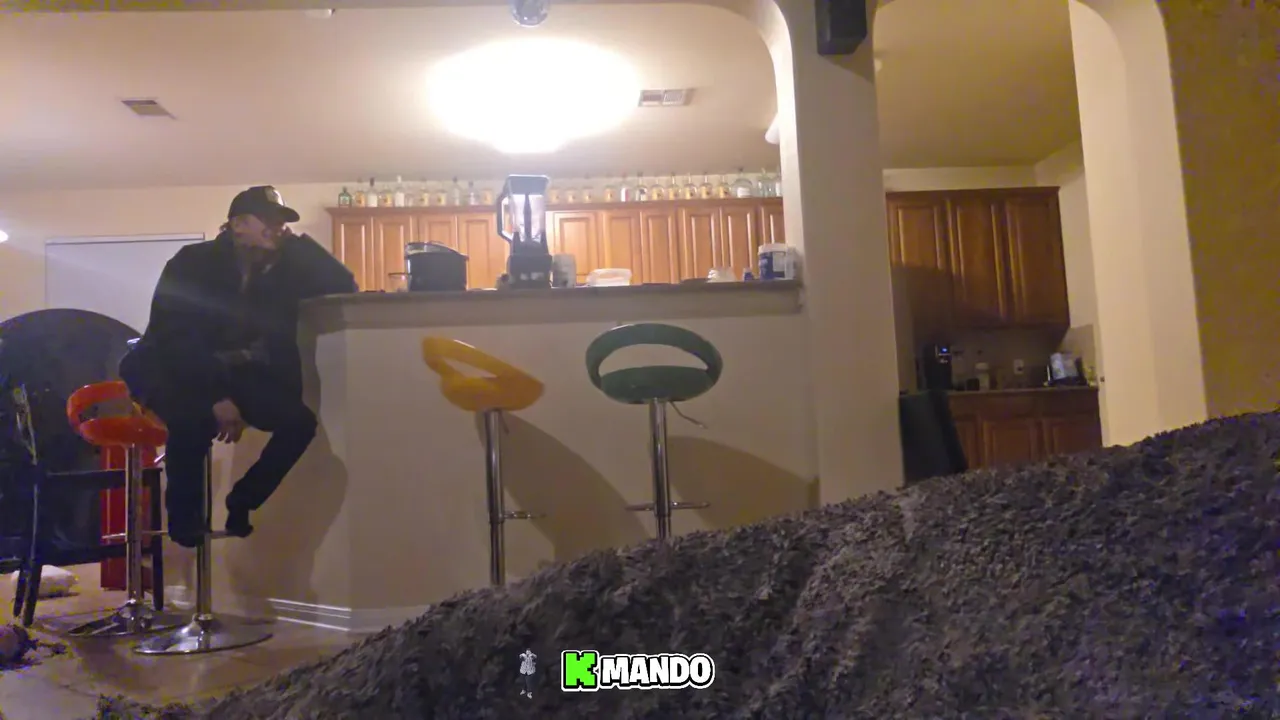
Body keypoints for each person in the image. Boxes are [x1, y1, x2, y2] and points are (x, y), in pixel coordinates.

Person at [119, 186, 357, 548]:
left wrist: (299, 245)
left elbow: (344, 284)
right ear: (238, 224)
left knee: (299, 423)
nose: (278, 228)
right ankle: (184, 520)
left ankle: (243, 500)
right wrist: (216, 396)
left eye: (282, 223)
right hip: (167, 368)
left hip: (230, 371)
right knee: (192, 419)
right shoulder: (193, 263)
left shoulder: (279, 270)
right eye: (269, 221)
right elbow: (177, 338)